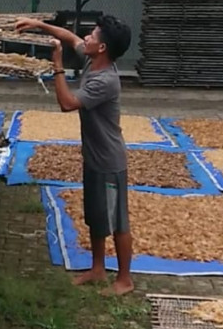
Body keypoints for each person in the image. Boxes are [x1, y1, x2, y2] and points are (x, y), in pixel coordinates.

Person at [14, 15, 135, 296]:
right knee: (95, 214)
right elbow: (70, 38)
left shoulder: (105, 80)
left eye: (93, 36)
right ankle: (97, 268)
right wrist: (38, 24)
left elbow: (67, 104)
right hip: (94, 157)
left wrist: (57, 64)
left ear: (102, 48)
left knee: (117, 221)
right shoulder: (94, 60)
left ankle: (125, 279)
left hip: (109, 163)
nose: (87, 39)